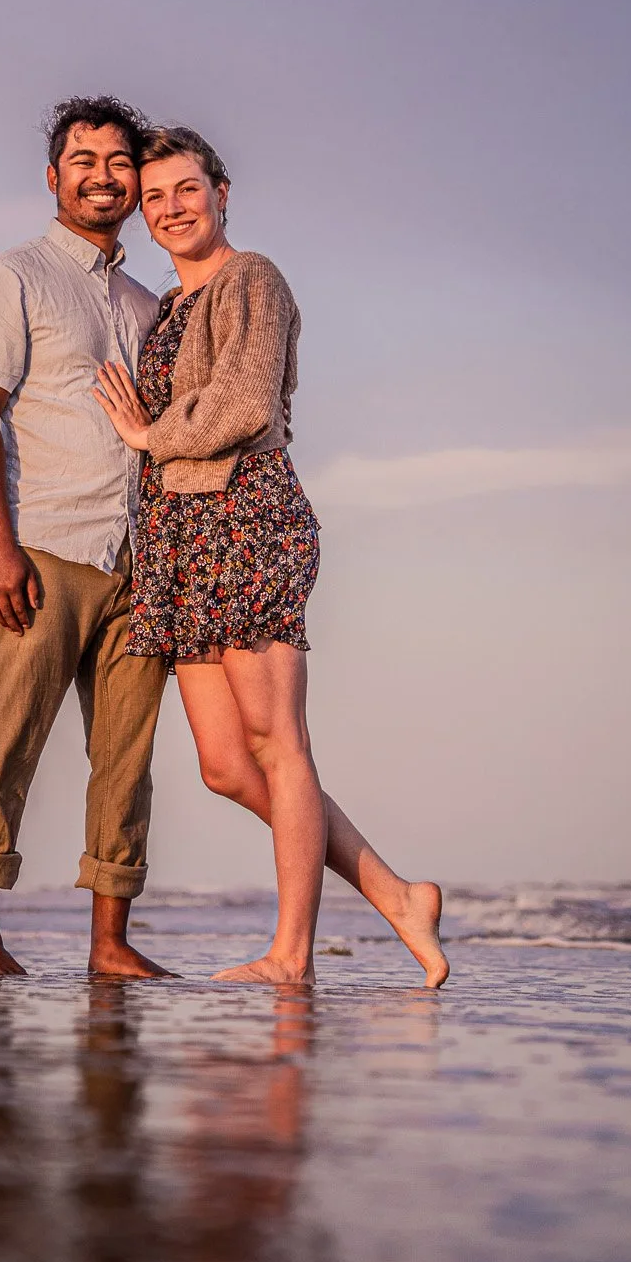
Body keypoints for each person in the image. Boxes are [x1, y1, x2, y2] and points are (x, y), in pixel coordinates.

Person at [94, 125, 449, 988]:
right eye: (155, 198)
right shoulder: (171, 309)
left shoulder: (251, 278)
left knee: (279, 743)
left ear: (221, 192)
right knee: (223, 765)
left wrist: (149, 434)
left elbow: (246, 403)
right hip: (181, 536)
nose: (171, 208)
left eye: (186, 189)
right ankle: (397, 895)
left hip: (246, 517)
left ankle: (291, 957)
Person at [0, 96, 173, 978]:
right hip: (42, 549)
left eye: (118, 163)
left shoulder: (151, 304)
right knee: (5, 741)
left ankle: (110, 944)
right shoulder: (12, 278)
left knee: (126, 760)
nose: (102, 177)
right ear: (53, 177)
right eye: (84, 161)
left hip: (139, 564)